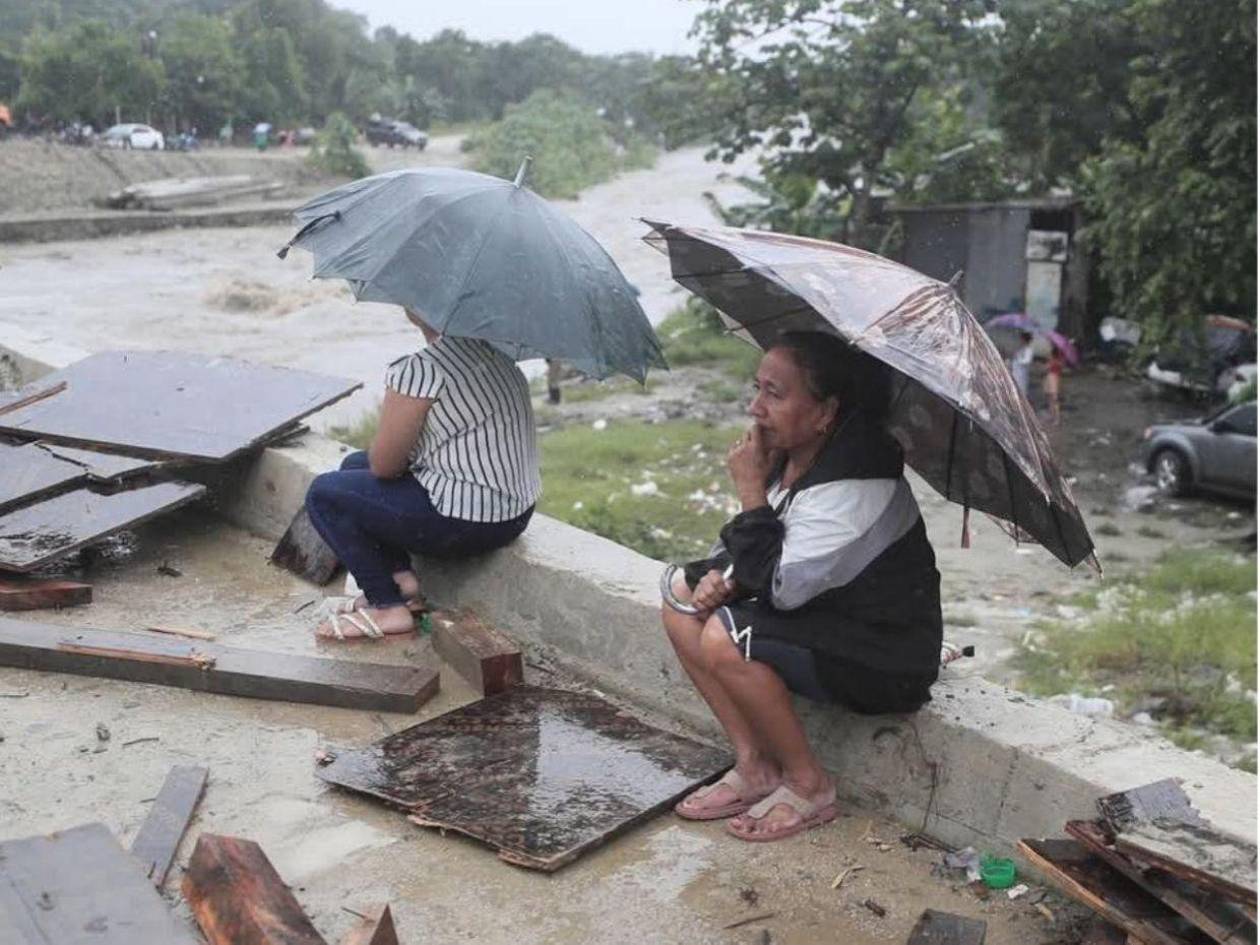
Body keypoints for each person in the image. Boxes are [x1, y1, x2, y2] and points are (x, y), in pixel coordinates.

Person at [661, 331, 942, 842]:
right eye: (758, 388)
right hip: (825, 616)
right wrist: (718, 580)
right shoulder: (796, 457)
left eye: (775, 393)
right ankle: (755, 768)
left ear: (825, 412)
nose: (756, 408)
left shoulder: (856, 485)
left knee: (727, 637)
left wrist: (750, 490)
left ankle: (810, 786)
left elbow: (784, 587)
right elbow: (762, 555)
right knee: (682, 599)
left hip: (884, 654)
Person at [305, 308, 541, 640]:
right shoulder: (498, 357)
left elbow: (386, 466)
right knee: (352, 467)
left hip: (466, 524)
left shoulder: (420, 370)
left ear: (415, 310)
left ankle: (386, 605)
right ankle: (401, 580)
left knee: (325, 494)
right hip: (514, 513)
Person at [1043, 346, 1063, 425]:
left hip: (1051, 379)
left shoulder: (1052, 361)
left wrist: (1048, 363)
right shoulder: (1059, 361)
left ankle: (1056, 418)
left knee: (1053, 399)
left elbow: (1045, 368)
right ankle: (1053, 416)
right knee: (1052, 399)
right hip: (1054, 378)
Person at [1010, 331, 1034, 398]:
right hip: (1016, 372)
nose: (1020, 341)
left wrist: (1018, 359)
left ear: (1024, 339)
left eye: (1022, 339)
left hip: (1022, 374)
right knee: (1014, 391)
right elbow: (1015, 359)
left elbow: (1027, 361)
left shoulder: (1029, 350)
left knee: (1021, 392)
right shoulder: (1020, 349)